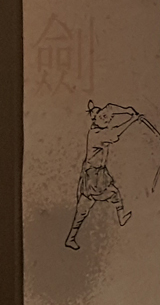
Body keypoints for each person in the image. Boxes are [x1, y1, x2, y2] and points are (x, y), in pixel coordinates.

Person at [64, 101, 149, 249]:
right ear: (95, 119)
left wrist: (128, 110)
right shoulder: (97, 134)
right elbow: (114, 134)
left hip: (98, 173)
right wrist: (132, 119)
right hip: (93, 175)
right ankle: (121, 218)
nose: (106, 119)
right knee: (111, 194)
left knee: (84, 207)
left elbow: (111, 107)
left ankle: (71, 238)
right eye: (102, 117)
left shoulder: (100, 126)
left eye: (106, 117)